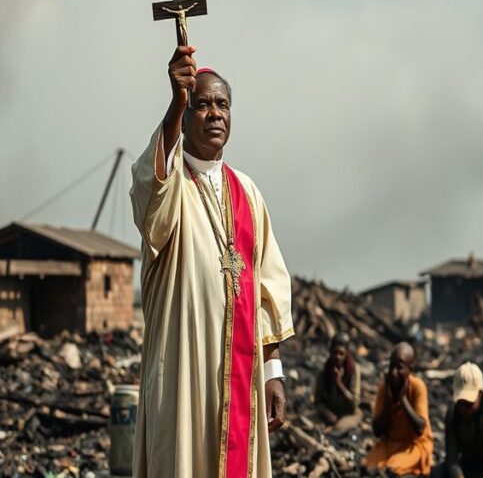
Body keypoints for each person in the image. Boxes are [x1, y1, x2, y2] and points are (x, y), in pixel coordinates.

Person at [130, 46, 294, 477]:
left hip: (240, 372)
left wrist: (273, 371)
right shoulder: (172, 183)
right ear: (185, 119)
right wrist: (175, 102)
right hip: (182, 366)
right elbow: (150, 195)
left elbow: (268, 289)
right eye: (201, 105)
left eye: (222, 104)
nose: (214, 113)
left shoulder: (248, 193)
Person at [364, 342, 434, 476]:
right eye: (391, 366)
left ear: (410, 370)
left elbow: (420, 428)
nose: (393, 372)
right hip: (389, 445)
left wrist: (403, 399)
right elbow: (377, 431)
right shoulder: (385, 387)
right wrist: (388, 399)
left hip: (413, 446)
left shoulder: (418, 387)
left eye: (399, 367)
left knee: (391, 469)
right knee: (369, 468)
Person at [315, 332, 363, 434]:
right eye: (335, 353)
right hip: (330, 412)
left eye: (341, 354)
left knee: (338, 429)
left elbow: (354, 403)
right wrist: (326, 412)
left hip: (348, 413)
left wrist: (339, 384)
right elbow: (318, 402)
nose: (338, 357)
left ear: (346, 354)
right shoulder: (324, 371)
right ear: (330, 352)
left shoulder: (354, 370)